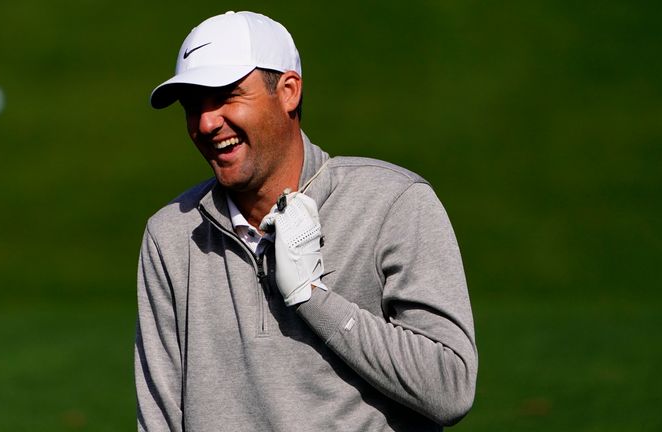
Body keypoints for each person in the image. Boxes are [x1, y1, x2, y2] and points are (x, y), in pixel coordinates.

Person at [135, 11, 477, 432]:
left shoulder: (393, 203)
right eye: (193, 105)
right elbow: (159, 419)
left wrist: (313, 298)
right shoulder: (172, 235)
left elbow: (451, 388)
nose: (206, 123)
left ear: (289, 91)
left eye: (226, 95)